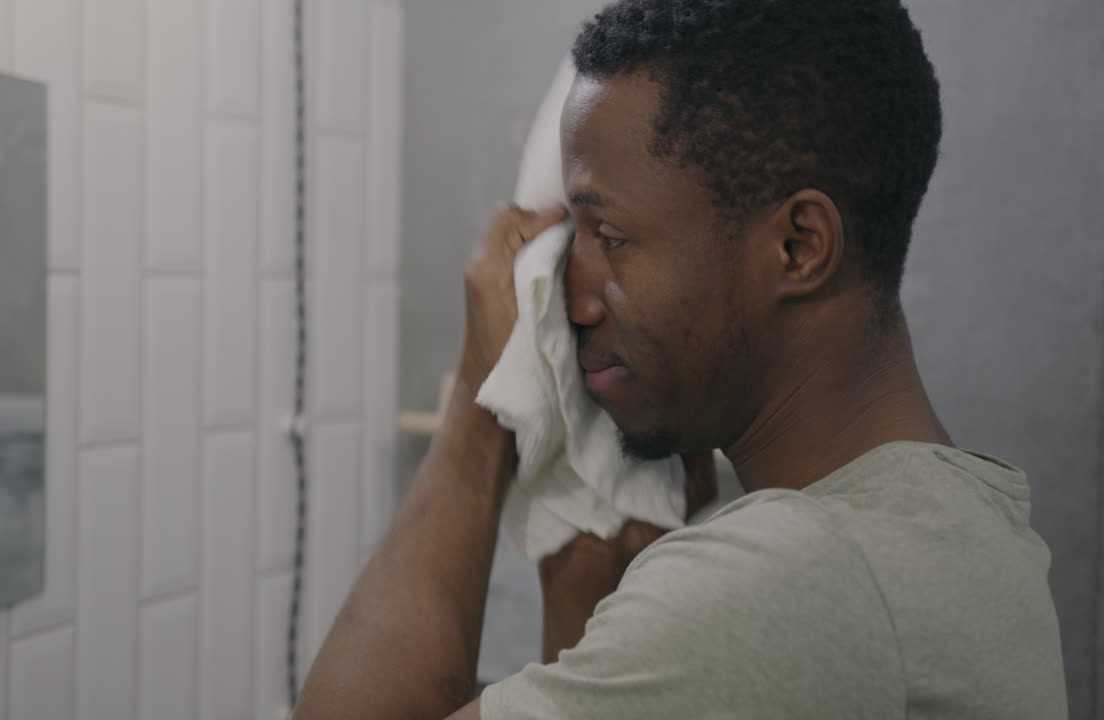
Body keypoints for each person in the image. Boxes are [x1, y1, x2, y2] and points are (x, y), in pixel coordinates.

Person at [294, 0, 1068, 717]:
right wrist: (591, 598)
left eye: (609, 236)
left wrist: (485, 401)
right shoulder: (963, 526)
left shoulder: (787, 579)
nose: (572, 300)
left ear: (798, 246)